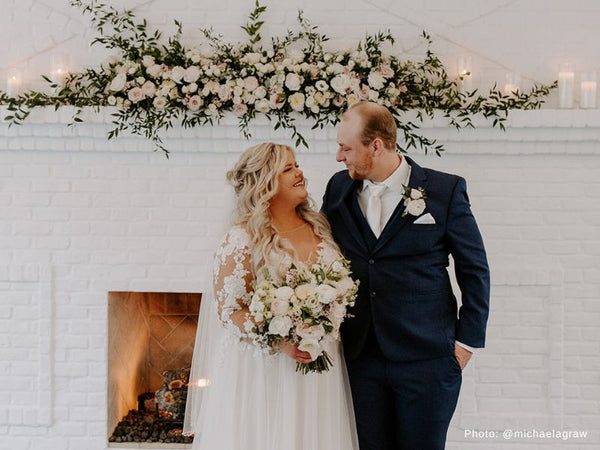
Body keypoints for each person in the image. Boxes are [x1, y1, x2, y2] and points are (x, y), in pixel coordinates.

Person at [321, 101, 490, 450]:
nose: (339, 157)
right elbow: (321, 253)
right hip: (360, 356)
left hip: (427, 358)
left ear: (377, 146)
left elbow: (474, 268)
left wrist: (466, 343)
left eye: (346, 147)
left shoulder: (445, 191)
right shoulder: (338, 188)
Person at [183, 142, 359, 450]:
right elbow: (230, 312)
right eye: (288, 169)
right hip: (264, 373)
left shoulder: (320, 226)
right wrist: (280, 339)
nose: (299, 173)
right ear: (265, 182)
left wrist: (322, 322)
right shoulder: (241, 239)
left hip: (318, 367)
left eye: (297, 165)